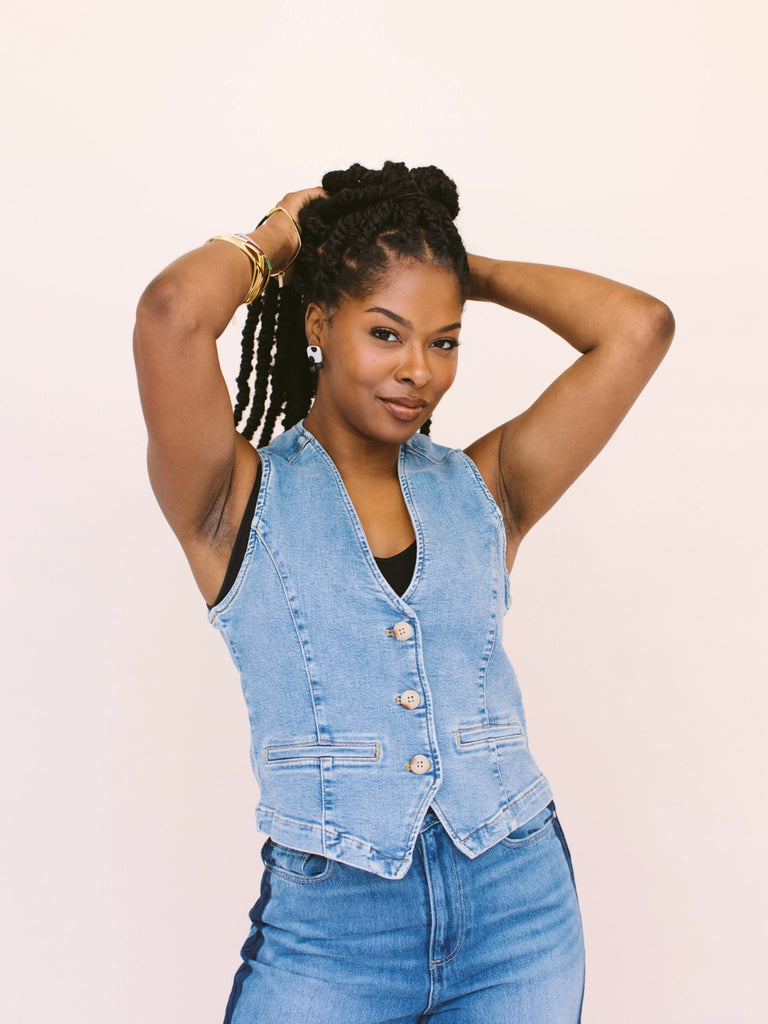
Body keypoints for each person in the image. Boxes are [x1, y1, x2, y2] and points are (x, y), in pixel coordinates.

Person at [133, 161, 674, 1023]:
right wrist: (276, 239)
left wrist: (457, 269)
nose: (418, 369)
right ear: (318, 321)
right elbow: (171, 314)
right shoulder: (231, 500)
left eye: (444, 339)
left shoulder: (488, 486)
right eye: (386, 333)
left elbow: (639, 327)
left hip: (520, 910)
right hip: (330, 938)